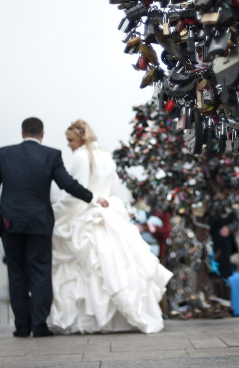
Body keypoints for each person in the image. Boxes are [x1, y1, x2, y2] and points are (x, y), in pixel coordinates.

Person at [0, 117, 109, 338]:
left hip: (11, 223)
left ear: (22, 133)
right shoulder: (51, 155)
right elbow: (67, 183)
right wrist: (93, 198)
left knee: (16, 274)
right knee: (40, 273)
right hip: (39, 223)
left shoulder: (3, 154)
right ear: (42, 134)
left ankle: (21, 327)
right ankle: (39, 326)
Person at [47, 119, 173, 334]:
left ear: (80, 139)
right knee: (117, 265)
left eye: (70, 140)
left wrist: (52, 214)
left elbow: (76, 193)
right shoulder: (105, 156)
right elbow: (112, 186)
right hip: (107, 212)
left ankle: (91, 319)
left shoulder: (81, 156)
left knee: (87, 269)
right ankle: (119, 318)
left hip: (86, 214)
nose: (68, 144)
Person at [208, 207, 239, 300]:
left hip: (224, 246)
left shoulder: (229, 206)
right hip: (211, 245)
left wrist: (230, 228)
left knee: (223, 276)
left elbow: (235, 221)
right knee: (215, 276)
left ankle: (225, 303)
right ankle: (221, 303)